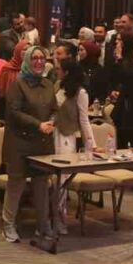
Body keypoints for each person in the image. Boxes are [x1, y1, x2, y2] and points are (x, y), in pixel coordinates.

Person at [1, 45, 57, 245]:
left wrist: (52, 121)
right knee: (16, 184)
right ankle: (8, 225)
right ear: (27, 61)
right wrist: (38, 124)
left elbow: (54, 108)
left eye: (42, 58)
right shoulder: (18, 83)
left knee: (42, 184)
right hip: (20, 142)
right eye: (34, 58)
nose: (39, 62)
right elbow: (14, 112)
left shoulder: (48, 84)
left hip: (42, 142)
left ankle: (43, 224)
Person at [50, 53, 92, 235]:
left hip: (67, 138)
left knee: (63, 180)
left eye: (59, 69)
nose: (56, 71)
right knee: (52, 179)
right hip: (52, 135)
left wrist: (91, 145)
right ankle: (50, 217)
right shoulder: (58, 87)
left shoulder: (80, 93)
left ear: (66, 72)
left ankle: (60, 220)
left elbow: (84, 120)